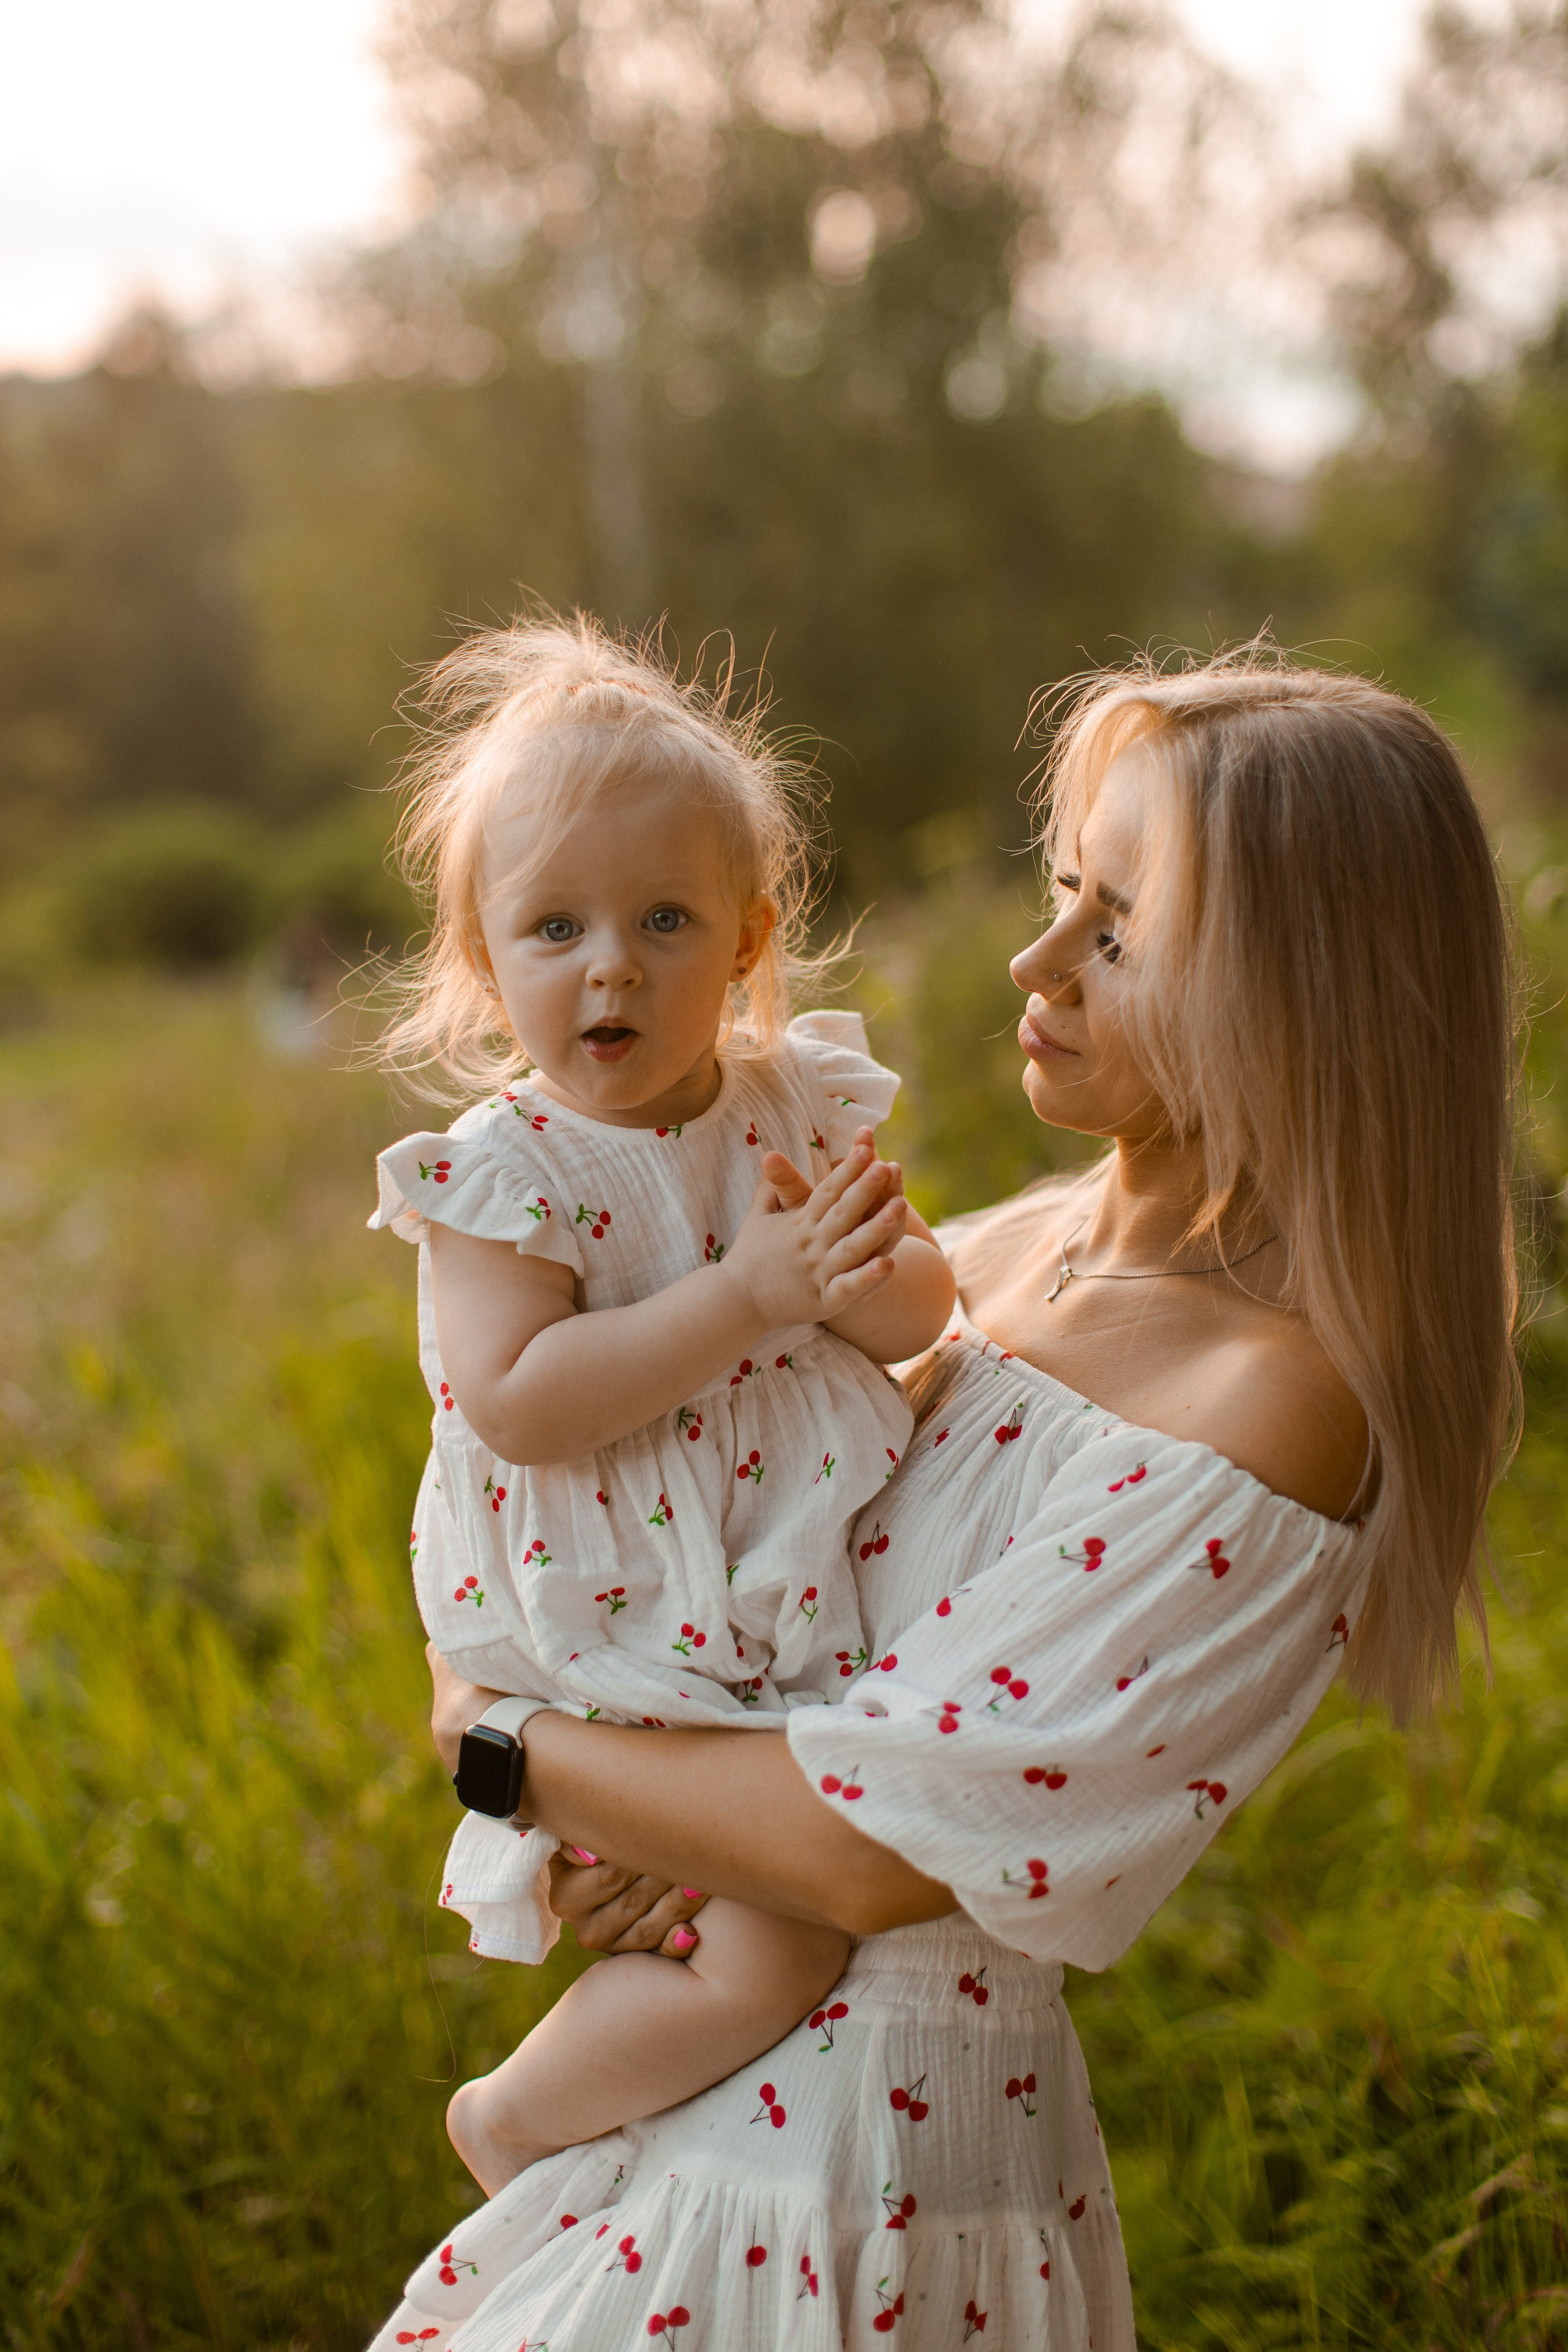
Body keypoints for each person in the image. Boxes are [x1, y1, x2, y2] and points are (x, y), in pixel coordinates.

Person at [369, 648, 1518, 2351]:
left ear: (1298, 993)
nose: (1033, 960)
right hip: (674, 2119)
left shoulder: (1269, 1402)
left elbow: (857, 1846)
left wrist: (506, 1748)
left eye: (1119, 936)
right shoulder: (996, 1253)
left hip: (856, 2193)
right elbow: (652, 1530)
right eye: (1066, 893)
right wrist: (599, 1819)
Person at [368, 615, 956, 2195]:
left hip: (765, 1583)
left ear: (751, 942)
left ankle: (683, 2162)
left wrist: (851, 1267)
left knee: (789, 1920)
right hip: (612, 1602)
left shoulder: (789, 1104)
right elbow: (519, 1403)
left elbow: (917, 1310)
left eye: (665, 918)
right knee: (766, 1954)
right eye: (553, 926)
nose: (610, 962)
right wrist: (745, 1300)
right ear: (487, 963)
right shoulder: (505, 1174)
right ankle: (516, 2121)